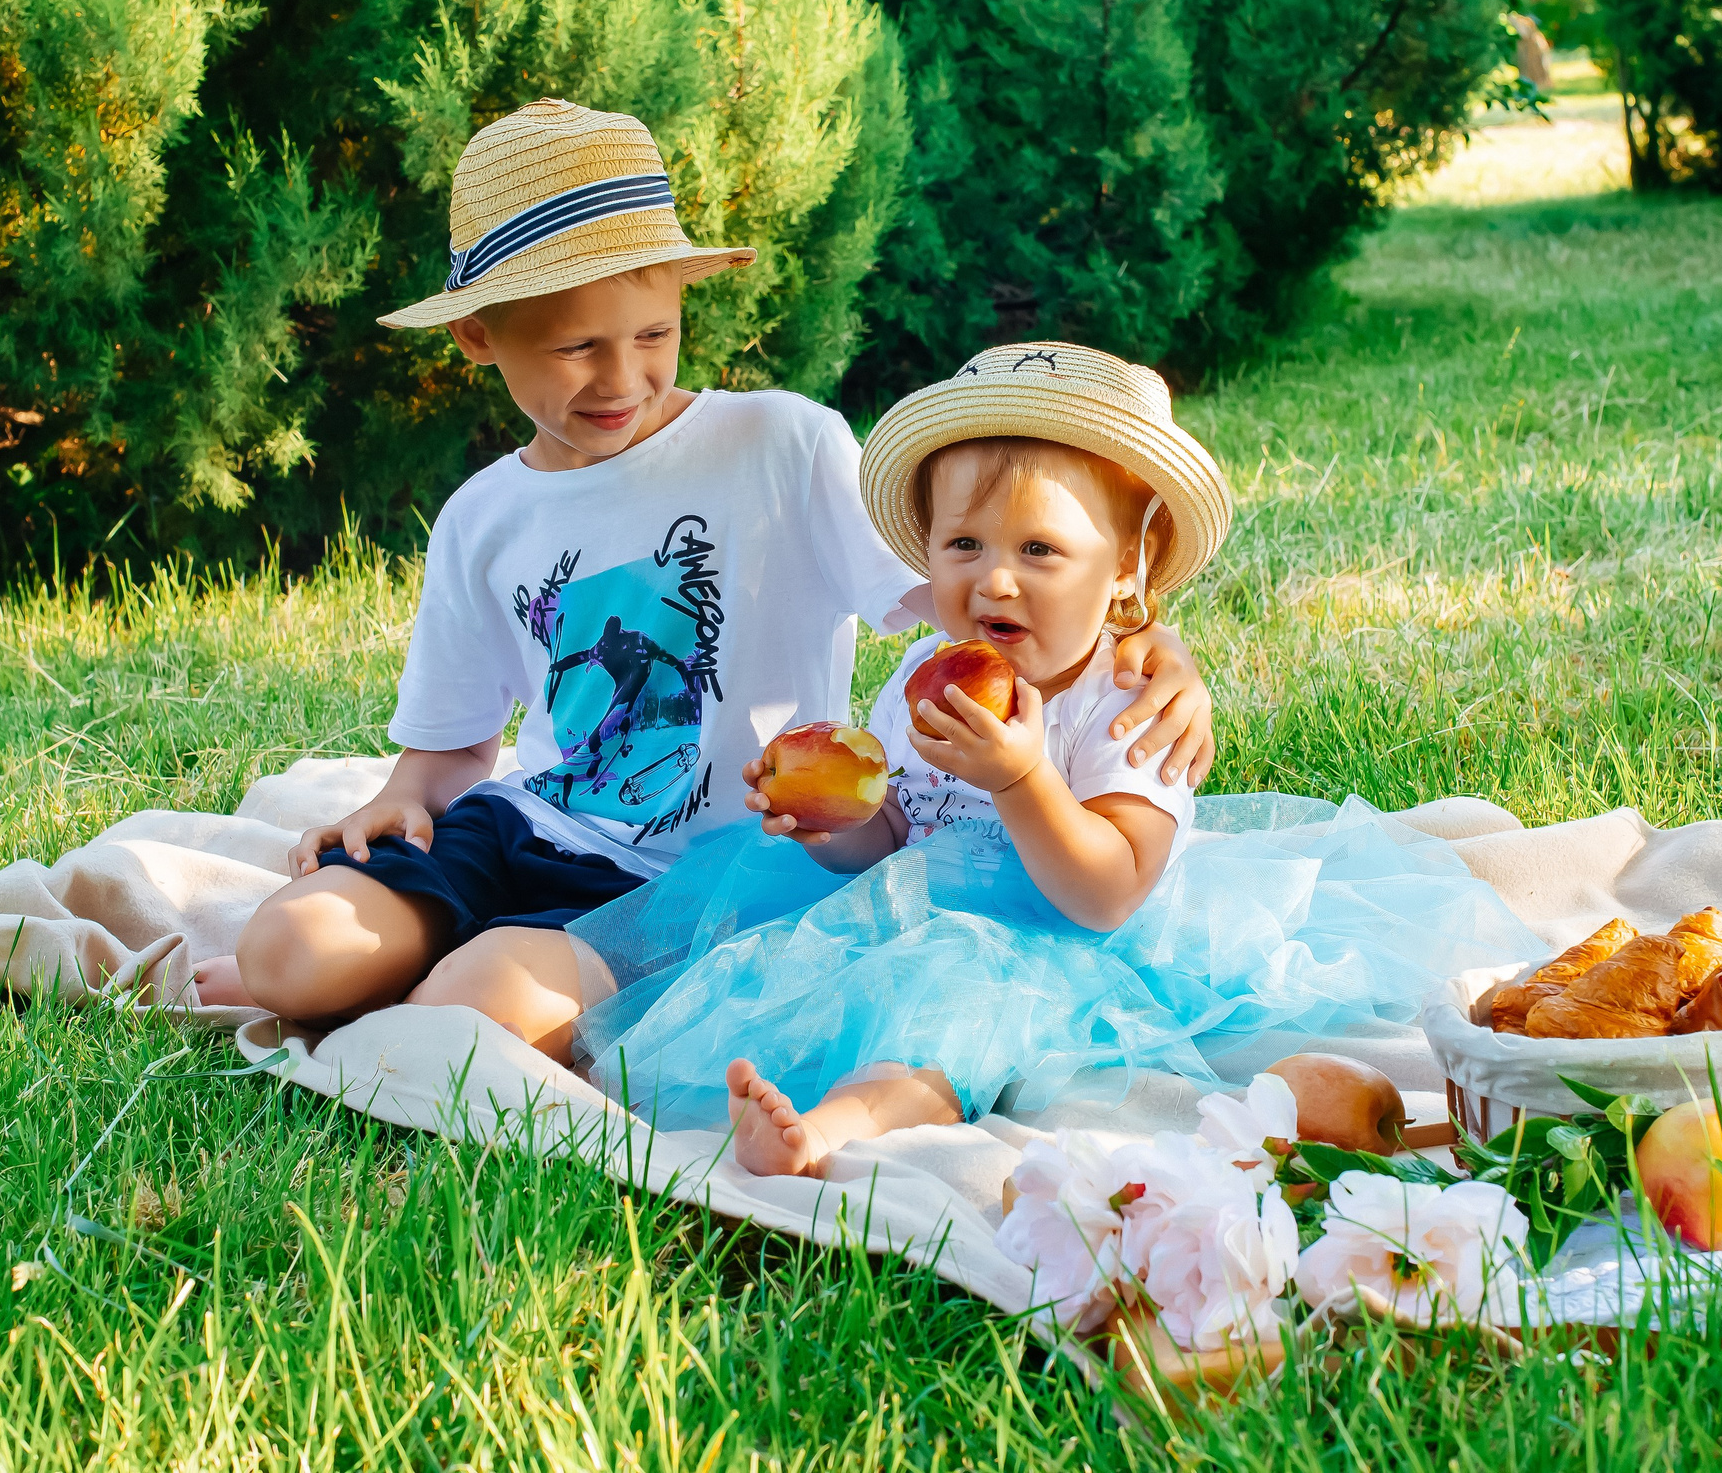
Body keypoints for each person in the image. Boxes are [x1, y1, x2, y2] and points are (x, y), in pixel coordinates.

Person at [189, 104, 1219, 1052]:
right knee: (295, 951)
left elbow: (978, 602)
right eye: (575, 346)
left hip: (712, 876)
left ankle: (443, 978)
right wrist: (396, 799)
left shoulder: (782, 444)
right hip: (526, 825)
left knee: (458, 1015)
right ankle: (349, 969)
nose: (623, 376)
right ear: (476, 336)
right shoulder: (481, 519)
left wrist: (1148, 640)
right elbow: (450, 749)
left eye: (651, 334)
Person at [563, 341, 1547, 1176]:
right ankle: (740, 1072)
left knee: (951, 1014)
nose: (993, 574)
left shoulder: (1126, 706)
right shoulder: (925, 672)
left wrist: (1023, 777)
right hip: (916, 906)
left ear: (1124, 570)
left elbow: (1106, 891)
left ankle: (833, 1126)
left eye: (1039, 549)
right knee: (791, 952)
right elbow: (895, 834)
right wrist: (834, 822)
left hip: (1055, 942)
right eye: (962, 541)